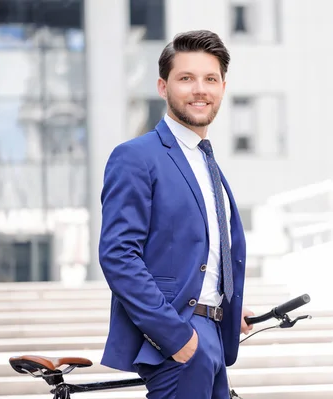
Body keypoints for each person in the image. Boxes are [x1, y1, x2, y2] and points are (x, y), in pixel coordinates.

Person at [98, 30, 254, 399]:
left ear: (223, 88)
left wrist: (223, 301)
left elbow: (199, 250)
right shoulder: (136, 156)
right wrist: (176, 337)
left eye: (210, 79)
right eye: (186, 78)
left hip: (213, 334)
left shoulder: (207, 161)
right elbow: (118, 255)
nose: (200, 89)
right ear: (162, 86)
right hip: (180, 341)